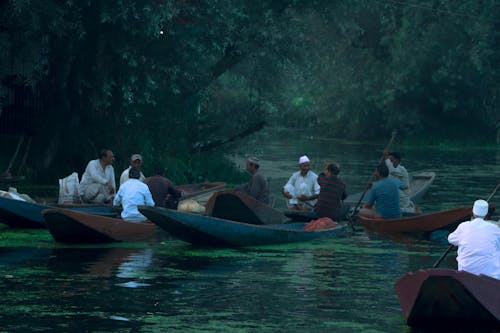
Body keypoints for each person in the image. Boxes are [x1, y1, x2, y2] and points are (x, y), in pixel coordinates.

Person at [447, 199, 500, 279]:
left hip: (465, 273)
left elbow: (451, 239)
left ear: (473, 212)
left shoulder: (463, 226)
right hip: (491, 276)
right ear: (486, 214)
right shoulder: (494, 228)